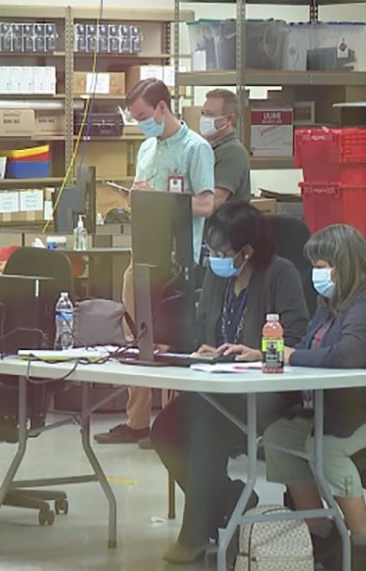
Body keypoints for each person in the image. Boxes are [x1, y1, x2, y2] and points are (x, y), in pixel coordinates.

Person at [261, 223, 366, 571]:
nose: (316, 274)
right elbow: (309, 347)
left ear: (344, 265)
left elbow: (348, 356)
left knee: (327, 446)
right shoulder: (332, 301)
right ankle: (322, 534)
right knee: (279, 437)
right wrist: (281, 355)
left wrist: (290, 357)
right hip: (352, 407)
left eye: (322, 265)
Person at [148, 201, 310, 563]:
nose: (215, 259)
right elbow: (205, 327)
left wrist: (257, 351)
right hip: (221, 386)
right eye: (211, 251)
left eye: (222, 252)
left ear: (247, 251)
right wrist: (198, 349)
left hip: (268, 391)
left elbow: (298, 336)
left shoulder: (280, 274)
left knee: (204, 426)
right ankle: (232, 501)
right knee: (166, 429)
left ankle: (194, 533)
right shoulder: (217, 277)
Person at [96, 77, 216, 445]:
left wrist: (163, 200)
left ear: (163, 108)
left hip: (179, 260)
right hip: (143, 255)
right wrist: (135, 198)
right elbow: (143, 198)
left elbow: (206, 204)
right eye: (134, 117)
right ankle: (137, 422)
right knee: (138, 341)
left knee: (172, 343)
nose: (140, 122)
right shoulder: (147, 149)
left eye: (144, 115)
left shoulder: (196, 149)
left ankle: (171, 425)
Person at [198, 88, 252, 206]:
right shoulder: (207, 148)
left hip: (224, 223)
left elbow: (214, 201)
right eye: (203, 113)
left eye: (210, 114)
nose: (204, 119)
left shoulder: (232, 152)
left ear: (229, 119)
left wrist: (174, 206)